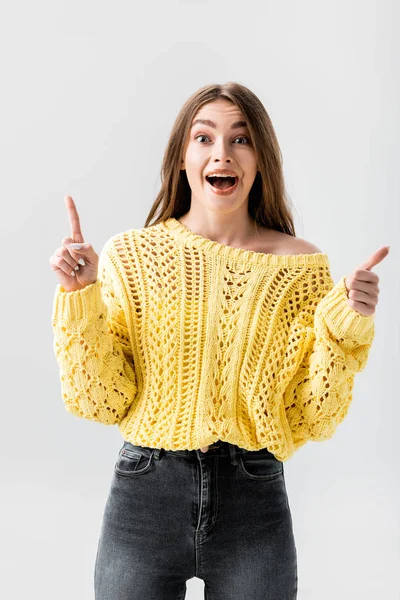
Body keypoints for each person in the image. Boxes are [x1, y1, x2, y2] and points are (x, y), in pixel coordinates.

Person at [50, 82, 384, 600]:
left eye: (241, 139)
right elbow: (100, 400)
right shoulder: (132, 256)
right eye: (204, 138)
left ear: (260, 159)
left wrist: (348, 323)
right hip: (145, 493)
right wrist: (81, 298)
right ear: (182, 159)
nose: (222, 153)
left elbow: (313, 417)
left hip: (253, 496)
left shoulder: (301, 268)